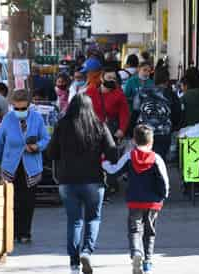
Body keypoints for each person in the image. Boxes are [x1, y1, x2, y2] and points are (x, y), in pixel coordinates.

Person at [47, 94, 116, 274]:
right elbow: (112, 153)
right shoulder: (99, 125)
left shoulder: (62, 126)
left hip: (67, 180)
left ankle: (74, 262)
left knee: (74, 221)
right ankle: (87, 251)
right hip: (93, 180)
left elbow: (51, 153)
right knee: (93, 218)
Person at [102, 124, 170, 274]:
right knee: (150, 231)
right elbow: (165, 181)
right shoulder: (156, 159)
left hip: (135, 200)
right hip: (153, 202)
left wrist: (104, 164)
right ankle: (148, 262)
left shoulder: (129, 156)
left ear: (133, 141)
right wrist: (163, 196)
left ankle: (136, 254)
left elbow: (115, 170)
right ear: (151, 141)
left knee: (134, 230)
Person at [0, 89, 50, 243]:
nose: (20, 111)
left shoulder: (37, 118)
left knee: (28, 202)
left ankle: (25, 233)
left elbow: (46, 138)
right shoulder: (8, 119)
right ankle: (12, 232)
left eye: (23, 108)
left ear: (29, 106)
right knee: (11, 201)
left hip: (31, 167)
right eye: (17, 108)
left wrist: (37, 146)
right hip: (10, 167)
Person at [87, 67, 130, 196]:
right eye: (109, 77)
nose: (111, 80)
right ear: (102, 78)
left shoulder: (119, 94)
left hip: (111, 130)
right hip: (93, 129)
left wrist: (122, 130)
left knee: (110, 158)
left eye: (114, 78)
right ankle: (96, 182)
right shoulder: (91, 92)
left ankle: (110, 184)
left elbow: (124, 114)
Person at [132, 64, 181, 159]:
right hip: (163, 133)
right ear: (167, 80)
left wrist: (131, 131)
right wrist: (173, 128)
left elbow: (135, 112)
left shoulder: (142, 93)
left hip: (144, 133)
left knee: (144, 161)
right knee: (159, 161)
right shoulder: (171, 95)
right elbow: (177, 114)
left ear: (153, 79)